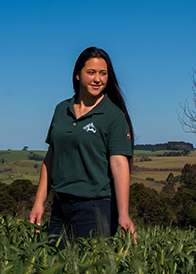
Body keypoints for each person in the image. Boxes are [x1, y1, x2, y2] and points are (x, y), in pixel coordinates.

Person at [29, 47, 137, 244]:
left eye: (103, 73)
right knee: (53, 260)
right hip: (59, 209)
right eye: (91, 72)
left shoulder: (114, 116)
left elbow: (119, 165)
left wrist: (123, 214)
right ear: (78, 75)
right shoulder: (61, 110)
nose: (97, 79)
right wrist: (39, 203)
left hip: (95, 210)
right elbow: (51, 157)